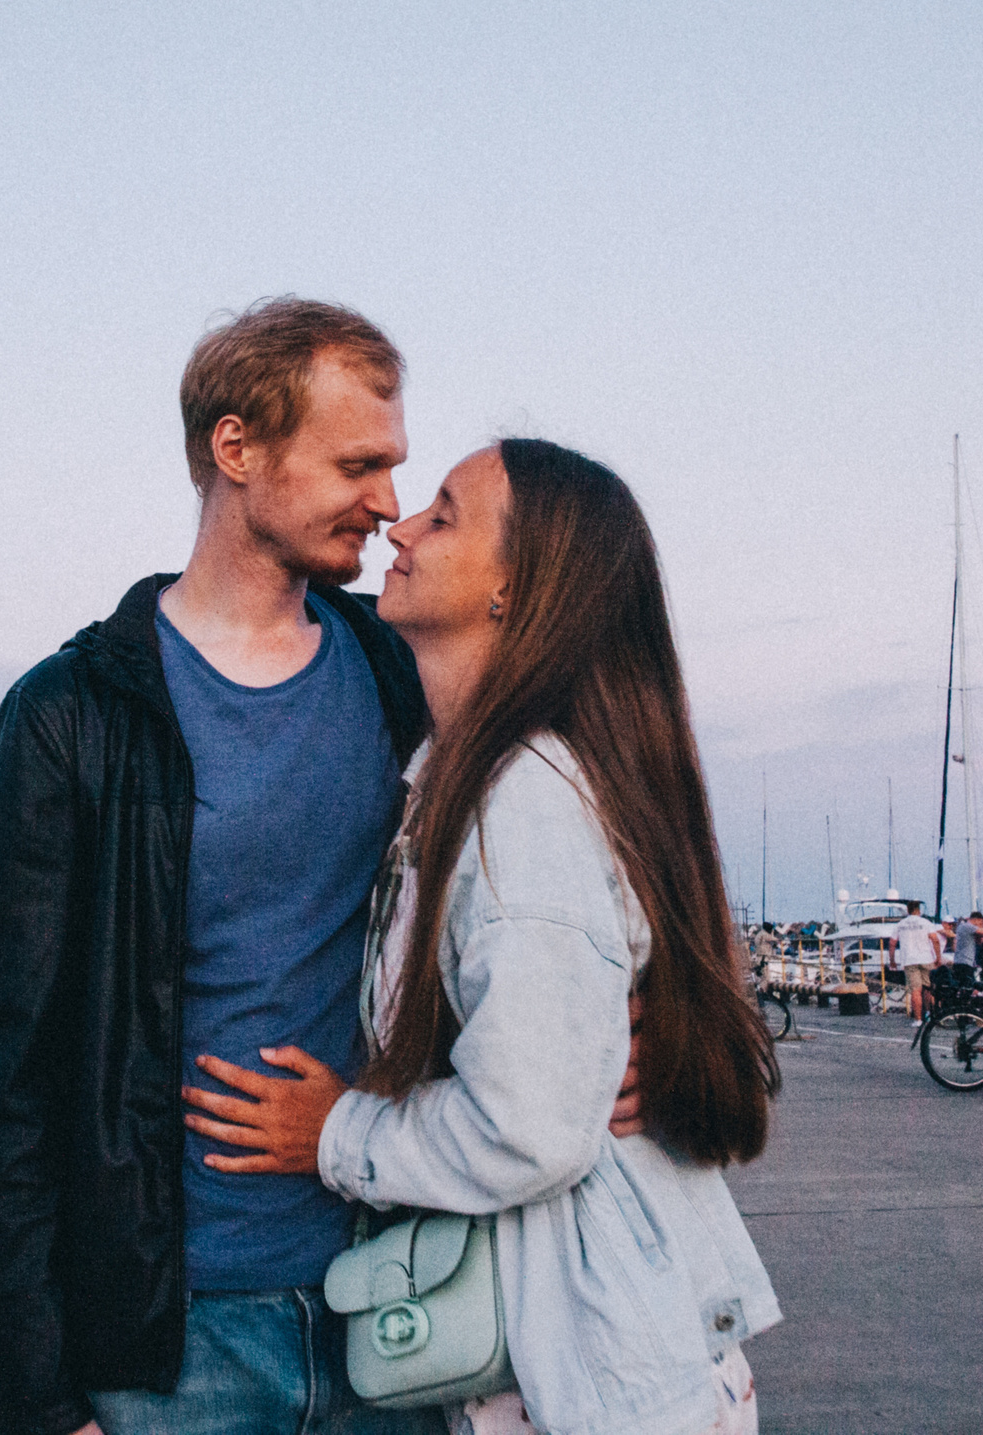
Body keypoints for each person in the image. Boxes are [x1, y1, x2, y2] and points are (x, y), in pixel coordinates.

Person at [182, 439, 782, 1435]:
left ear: (516, 589)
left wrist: (332, 1132)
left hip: (588, 1381)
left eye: (445, 515)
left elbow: (527, 1128)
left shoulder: (524, 802)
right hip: (568, 1358)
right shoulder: (463, 778)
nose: (400, 526)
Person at [0, 299, 440, 1435]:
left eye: (395, 467)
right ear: (237, 449)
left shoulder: (401, 676)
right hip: (171, 1346)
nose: (388, 502)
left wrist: (630, 1040)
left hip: (394, 1301)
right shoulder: (71, 713)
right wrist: (38, 1389)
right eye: (357, 463)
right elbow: (4, 1075)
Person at [893, 898, 943, 1018]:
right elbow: (935, 939)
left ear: (908, 910)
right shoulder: (926, 923)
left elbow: (892, 942)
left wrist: (892, 960)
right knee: (928, 988)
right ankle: (930, 1014)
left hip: (909, 960)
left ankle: (918, 1019)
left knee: (915, 990)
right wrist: (938, 957)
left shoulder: (900, 924)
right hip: (926, 958)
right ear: (918, 910)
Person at [952, 910, 983, 986]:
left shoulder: (962, 927)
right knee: (967, 988)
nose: (980, 925)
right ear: (976, 920)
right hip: (964, 963)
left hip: (962, 962)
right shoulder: (967, 926)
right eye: (980, 923)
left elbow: (980, 942)